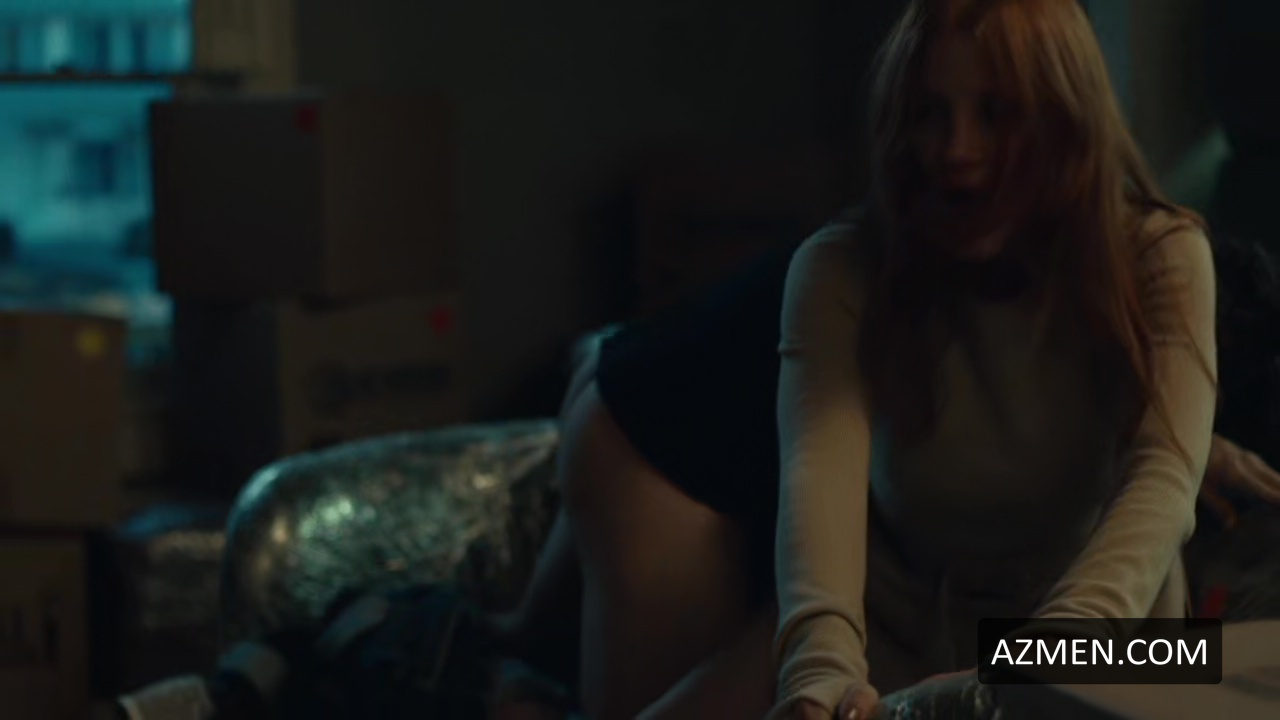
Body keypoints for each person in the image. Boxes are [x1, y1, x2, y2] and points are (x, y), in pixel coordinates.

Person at [462, 1, 1280, 718]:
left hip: (1091, 645)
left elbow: (1160, 484)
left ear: (1064, 118)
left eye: (995, 113)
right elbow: (816, 482)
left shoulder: (1164, 253)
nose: (955, 149)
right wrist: (818, 675)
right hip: (902, 626)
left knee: (1232, 675)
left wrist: (1039, 666)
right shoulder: (840, 269)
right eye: (929, 113)